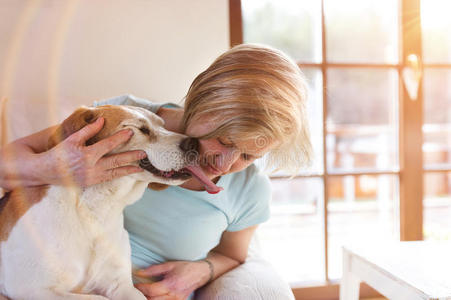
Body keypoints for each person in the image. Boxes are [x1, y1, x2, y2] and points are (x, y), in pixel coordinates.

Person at [0, 44, 312, 300]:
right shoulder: (123, 117)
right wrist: (60, 167)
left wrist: (201, 270)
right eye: (223, 140)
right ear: (200, 102)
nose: (225, 165)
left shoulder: (249, 188)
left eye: (247, 155)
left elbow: (235, 254)